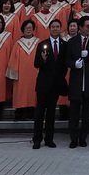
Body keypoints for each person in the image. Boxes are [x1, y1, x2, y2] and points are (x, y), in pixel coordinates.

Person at [64, 16, 89, 148]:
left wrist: (88, 54)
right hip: (76, 83)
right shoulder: (72, 41)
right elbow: (67, 60)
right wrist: (74, 64)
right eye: (87, 26)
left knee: (87, 113)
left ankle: (83, 137)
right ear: (80, 27)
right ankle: (73, 138)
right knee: (74, 113)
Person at [31, 18, 67, 148]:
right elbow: (36, 64)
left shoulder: (64, 44)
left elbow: (64, 65)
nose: (55, 28)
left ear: (60, 28)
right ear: (49, 28)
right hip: (43, 84)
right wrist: (44, 60)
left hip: (56, 85)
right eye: (53, 26)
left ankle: (49, 139)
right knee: (40, 113)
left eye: (58, 26)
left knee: (51, 113)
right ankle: (37, 139)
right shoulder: (42, 44)